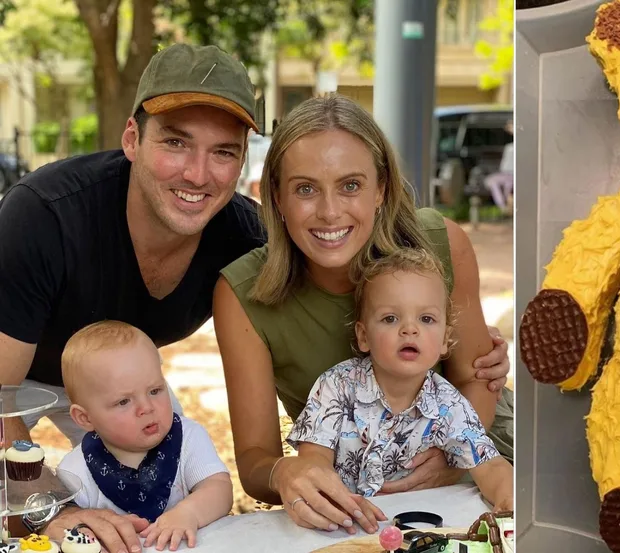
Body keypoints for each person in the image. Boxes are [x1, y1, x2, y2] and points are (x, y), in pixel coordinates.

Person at [0, 43, 265, 551]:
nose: (197, 174)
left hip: (122, 383)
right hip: (13, 380)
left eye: (224, 152)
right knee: (25, 521)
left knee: (175, 508)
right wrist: (55, 510)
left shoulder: (245, 237)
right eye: (176, 142)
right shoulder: (45, 216)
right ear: (131, 139)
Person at [213, 94, 514, 536]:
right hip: (357, 502)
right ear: (275, 197)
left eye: (351, 185)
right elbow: (257, 461)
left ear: (382, 189)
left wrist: (452, 463)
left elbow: (478, 379)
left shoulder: (441, 244)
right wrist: (288, 472)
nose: (330, 211)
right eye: (305, 189)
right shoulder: (243, 294)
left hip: (480, 458)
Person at [286, 248, 513, 516]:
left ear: (444, 340)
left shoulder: (448, 404)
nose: (409, 329)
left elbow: (491, 466)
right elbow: (313, 461)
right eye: (390, 318)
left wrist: (508, 501)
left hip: (419, 527)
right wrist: (333, 501)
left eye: (426, 319)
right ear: (364, 336)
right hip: (343, 521)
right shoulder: (336, 387)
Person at [58, 321, 233, 551]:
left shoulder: (188, 439)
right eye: (124, 401)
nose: (146, 408)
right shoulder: (75, 471)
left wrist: (188, 513)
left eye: (155, 390)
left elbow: (219, 488)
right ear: (85, 418)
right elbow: (66, 527)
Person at [484, 120, 514, 212]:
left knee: (508, 185)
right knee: (492, 181)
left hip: (513, 174)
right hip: (505, 173)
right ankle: (503, 205)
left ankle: (506, 205)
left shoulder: (516, 146)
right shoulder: (509, 146)